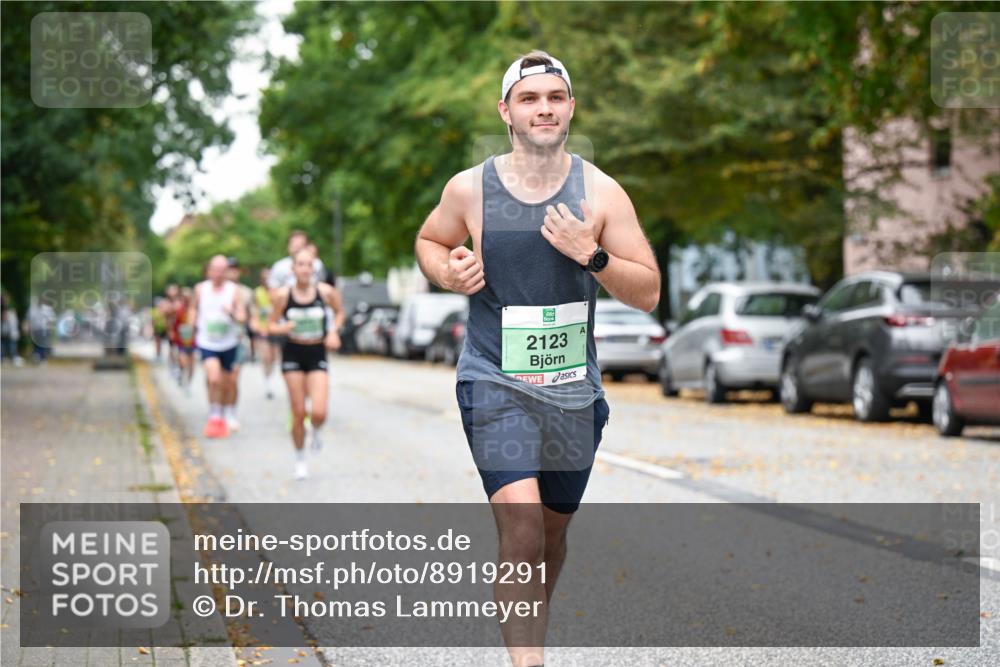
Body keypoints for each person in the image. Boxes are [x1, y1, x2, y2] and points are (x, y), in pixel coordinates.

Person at [414, 50, 660, 667]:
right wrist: (450, 270)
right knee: (521, 531)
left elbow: (650, 292)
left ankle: (528, 631)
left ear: (570, 107)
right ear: (506, 112)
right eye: (529, 99)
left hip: (574, 394)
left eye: (555, 97)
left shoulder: (601, 192)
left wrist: (592, 255)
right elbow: (429, 240)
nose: (543, 107)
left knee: (551, 535)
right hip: (494, 380)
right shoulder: (471, 188)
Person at [268, 247, 344, 480]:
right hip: (292, 353)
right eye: (300, 264)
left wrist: (333, 331)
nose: (305, 269)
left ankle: (317, 430)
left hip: (316, 352)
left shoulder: (326, 292)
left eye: (309, 265)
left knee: (319, 412)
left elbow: (340, 313)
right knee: (299, 411)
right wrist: (282, 328)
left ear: (314, 269)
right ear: (293, 269)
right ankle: (300, 459)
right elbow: (270, 324)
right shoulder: (283, 295)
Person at [190, 256, 247, 439]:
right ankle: (215, 414)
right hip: (207, 341)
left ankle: (228, 412)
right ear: (208, 270)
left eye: (222, 270)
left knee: (229, 382)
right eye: (215, 269)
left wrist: (232, 313)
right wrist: (191, 322)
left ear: (227, 271)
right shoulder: (200, 289)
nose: (218, 273)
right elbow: (193, 309)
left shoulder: (234, 290)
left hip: (229, 342)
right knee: (214, 378)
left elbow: (242, 316)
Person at [222, 257, 255, 431]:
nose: (231, 272)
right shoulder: (215, 290)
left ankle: (231, 412)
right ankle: (218, 410)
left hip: (238, 339)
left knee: (233, 378)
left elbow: (251, 317)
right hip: (217, 341)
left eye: (234, 269)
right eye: (228, 269)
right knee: (219, 379)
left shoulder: (246, 293)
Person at [252, 267, 280, 399]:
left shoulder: (277, 292)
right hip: (263, 329)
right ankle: (267, 382)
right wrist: (258, 326)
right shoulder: (257, 292)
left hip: (275, 328)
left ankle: (271, 379)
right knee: (266, 357)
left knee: (274, 357)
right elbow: (255, 311)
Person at [171, 287, 197, 391]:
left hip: (193, 340)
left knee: (191, 364)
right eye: (184, 297)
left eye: (188, 296)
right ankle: (181, 373)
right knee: (182, 361)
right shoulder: (178, 308)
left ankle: (189, 383)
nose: (187, 298)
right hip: (181, 339)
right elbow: (173, 322)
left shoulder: (195, 309)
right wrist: (172, 332)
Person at [1, 295, 23, 366]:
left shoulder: (8, 307)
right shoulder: (3, 307)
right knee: (5, 345)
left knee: (10, 344)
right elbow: (4, 317)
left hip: (9, 330)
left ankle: (11, 357)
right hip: (4, 329)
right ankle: (6, 358)